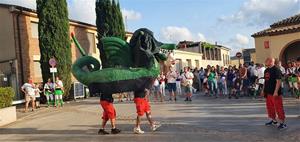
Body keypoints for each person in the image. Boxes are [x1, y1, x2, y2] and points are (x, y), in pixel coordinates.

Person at [261, 58, 287, 130]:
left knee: (279, 107)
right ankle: (274, 120)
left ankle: (283, 123)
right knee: (270, 107)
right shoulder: (266, 70)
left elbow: (278, 81)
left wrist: (276, 91)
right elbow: (265, 81)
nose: (265, 61)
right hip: (268, 92)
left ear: (271, 62)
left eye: (267, 60)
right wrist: (263, 90)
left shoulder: (276, 69)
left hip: (275, 93)